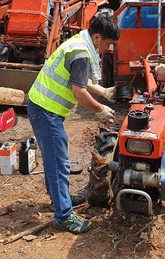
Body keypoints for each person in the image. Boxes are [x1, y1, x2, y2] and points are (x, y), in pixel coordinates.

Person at [26, 14, 119, 234]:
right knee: (58, 163)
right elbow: (79, 92)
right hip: (46, 111)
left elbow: (78, 79)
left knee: (53, 159)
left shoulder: (79, 42)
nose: (107, 49)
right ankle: (64, 216)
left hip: (41, 106)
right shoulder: (81, 53)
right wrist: (100, 110)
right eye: (107, 43)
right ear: (97, 38)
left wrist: (103, 91)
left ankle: (60, 199)